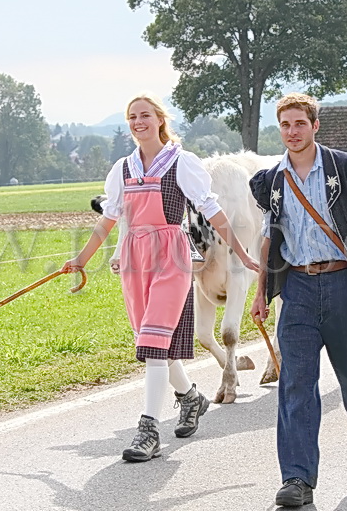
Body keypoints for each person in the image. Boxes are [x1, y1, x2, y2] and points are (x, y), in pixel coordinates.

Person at [63, 93, 259, 463]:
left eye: (145, 116)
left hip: (171, 256)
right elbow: (108, 220)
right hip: (137, 261)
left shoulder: (181, 162)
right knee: (154, 345)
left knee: (153, 345)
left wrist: (243, 252)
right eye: (133, 117)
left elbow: (211, 210)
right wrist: (81, 258)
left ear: (160, 120)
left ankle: (149, 431)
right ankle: (191, 398)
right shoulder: (122, 169)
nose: (139, 122)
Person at [249, 93, 347, 508]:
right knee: (295, 382)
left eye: (299, 124)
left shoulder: (346, 169)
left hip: (344, 283)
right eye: (285, 125)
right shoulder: (272, 180)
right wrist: (261, 291)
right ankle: (297, 477)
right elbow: (268, 240)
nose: (292, 132)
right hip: (296, 289)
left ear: (315, 126)